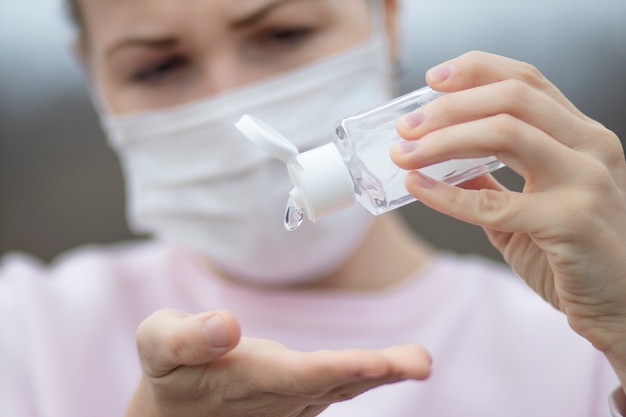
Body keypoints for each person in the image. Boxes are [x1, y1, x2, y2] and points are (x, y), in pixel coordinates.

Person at [1, 0, 625, 416]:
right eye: (159, 66)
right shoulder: (25, 332)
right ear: (95, 79)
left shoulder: (580, 343)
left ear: (385, 19)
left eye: (282, 34)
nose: (231, 104)